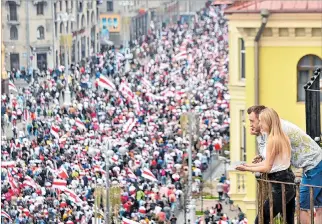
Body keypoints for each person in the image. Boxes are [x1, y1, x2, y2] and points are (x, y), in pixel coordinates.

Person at [248, 105, 322, 224]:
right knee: (319, 208)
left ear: (263, 118)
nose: (251, 124)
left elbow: (270, 161)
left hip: (313, 165)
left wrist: (249, 166)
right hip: (315, 162)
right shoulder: (274, 128)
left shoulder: (279, 131)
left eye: (253, 121)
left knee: (302, 208)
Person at [236, 108, 296, 224]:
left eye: (261, 121)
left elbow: (267, 167)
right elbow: (271, 163)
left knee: (261, 219)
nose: (260, 124)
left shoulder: (273, 140)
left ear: (268, 122)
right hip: (287, 181)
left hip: (280, 183)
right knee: (288, 219)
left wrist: (247, 168)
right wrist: (248, 166)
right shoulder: (281, 137)